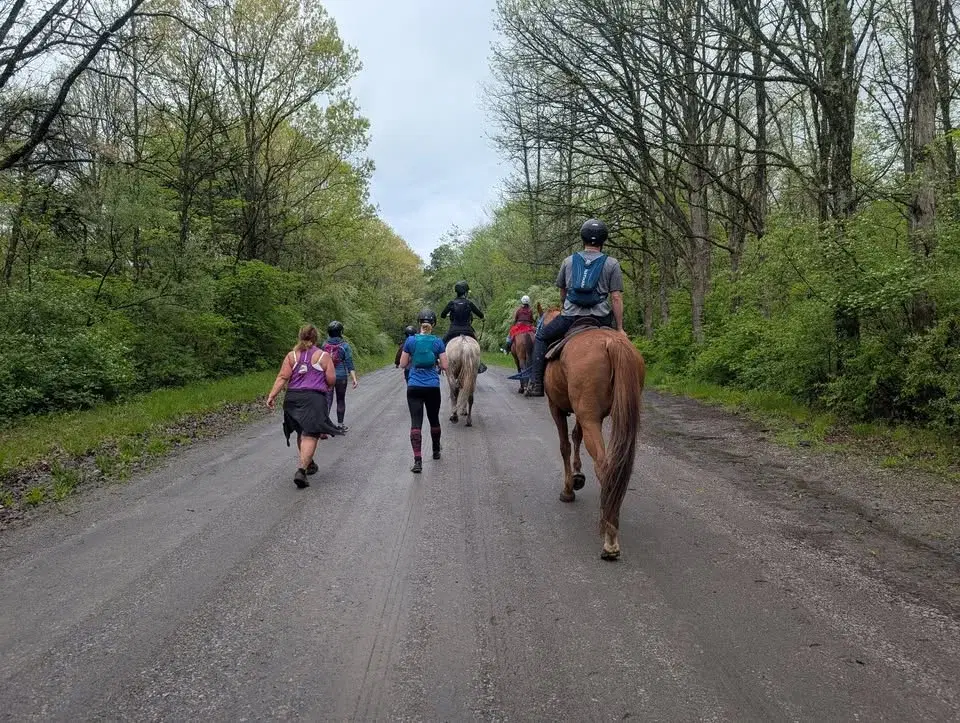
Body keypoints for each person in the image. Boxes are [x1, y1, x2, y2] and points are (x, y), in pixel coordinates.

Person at [526, 218, 626, 397]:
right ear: (604, 240)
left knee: (541, 336)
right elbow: (616, 297)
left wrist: (565, 308)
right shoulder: (612, 263)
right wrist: (619, 328)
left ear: (583, 238)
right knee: (622, 347)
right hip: (601, 318)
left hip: (571, 317)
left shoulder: (568, 261)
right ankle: (626, 389)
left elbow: (563, 292)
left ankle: (536, 383)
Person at [266, 324, 343, 488]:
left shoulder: (292, 356)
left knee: (301, 431)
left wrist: (272, 395)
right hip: (313, 398)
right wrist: (325, 383)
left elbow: (282, 377)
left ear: (300, 336)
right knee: (310, 434)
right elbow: (331, 380)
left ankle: (309, 463)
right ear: (315, 338)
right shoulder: (323, 356)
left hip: (292, 398)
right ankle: (301, 469)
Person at [399, 308, 448, 473]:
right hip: (432, 386)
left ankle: (418, 461)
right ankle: (435, 450)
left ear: (419, 323)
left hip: (414, 385)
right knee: (434, 419)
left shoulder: (410, 341)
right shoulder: (438, 342)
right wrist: (437, 363)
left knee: (416, 423)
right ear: (433, 324)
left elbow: (403, 363)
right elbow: (445, 366)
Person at [441, 280, 487, 373]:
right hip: (467, 330)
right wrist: (482, 318)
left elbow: (442, 315)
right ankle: (478, 364)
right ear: (465, 292)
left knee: (442, 344)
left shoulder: (451, 303)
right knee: (476, 344)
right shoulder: (469, 303)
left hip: (453, 330)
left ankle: (439, 363)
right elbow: (480, 315)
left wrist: (448, 315)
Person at [322, 321, 358, 433]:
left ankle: (323, 426)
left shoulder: (324, 345)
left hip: (327, 376)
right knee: (340, 400)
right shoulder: (345, 346)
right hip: (341, 376)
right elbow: (349, 363)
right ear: (340, 332)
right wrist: (354, 378)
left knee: (327, 400)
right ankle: (340, 425)